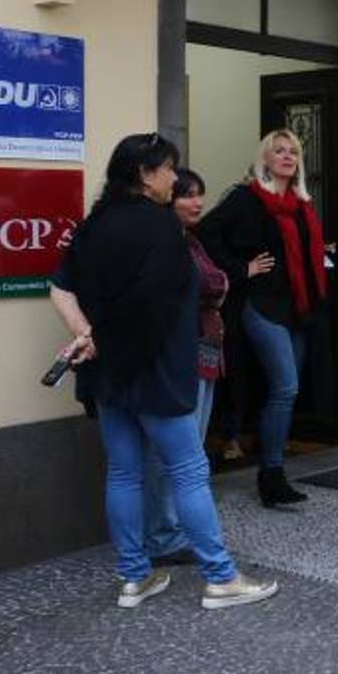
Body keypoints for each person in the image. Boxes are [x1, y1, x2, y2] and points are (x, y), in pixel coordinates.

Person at [48, 133, 276, 609]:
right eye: (169, 168)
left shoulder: (93, 225)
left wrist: (88, 334)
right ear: (144, 174)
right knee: (189, 471)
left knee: (124, 473)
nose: (175, 178)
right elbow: (169, 303)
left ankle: (135, 577)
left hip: (108, 371)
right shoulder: (163, 230)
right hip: (158, 371)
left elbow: (60, 288)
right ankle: (221, 577)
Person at [197, 129, 328, 508]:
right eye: (279, 151)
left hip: (298, 309)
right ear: (265, 159)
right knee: (285, 387)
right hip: (262, 306)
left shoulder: (302, 204)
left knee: (285, 390)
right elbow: (205, 233)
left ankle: (271, 468)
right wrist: (242, 268)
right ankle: (271, 475)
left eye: (293, 152)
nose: (287, 157)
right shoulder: (246, 198)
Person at [142, 168, 231, 565]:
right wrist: (219, 287)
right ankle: (165, 534)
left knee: (189, 447)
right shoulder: (165, 243)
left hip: (204, 352)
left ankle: (177, 528)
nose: (197, 203)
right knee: (176, 452)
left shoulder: (190, 239)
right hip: (183, 354)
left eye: (200, 195)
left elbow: (215, 283)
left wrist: (218, 286)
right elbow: (210, 285)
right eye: (187, 195)